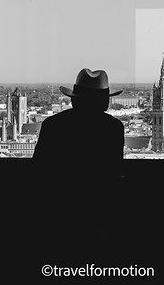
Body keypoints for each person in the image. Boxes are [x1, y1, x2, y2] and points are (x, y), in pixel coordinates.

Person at [32, 68, 125, 249]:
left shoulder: (53, 125)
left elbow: (39, 169)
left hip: (56, 211)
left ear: (74, 99)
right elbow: (114, 172)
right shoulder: (113, 127)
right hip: (99, 213)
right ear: (105, 102)